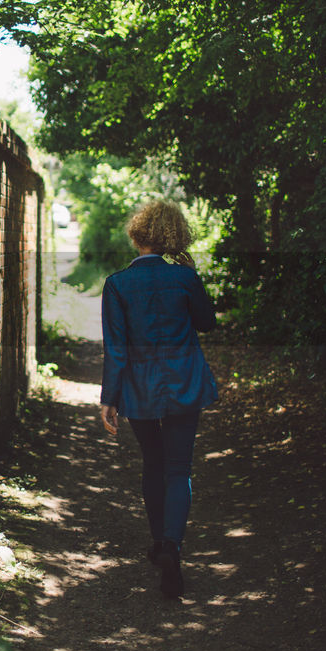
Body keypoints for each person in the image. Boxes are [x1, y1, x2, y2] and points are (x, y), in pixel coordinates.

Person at [99, 200, 218, 598]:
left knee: (153, 463)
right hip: (185, 382)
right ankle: (171, 545)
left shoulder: (117, 284)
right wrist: (191, 278)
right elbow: (206, 322)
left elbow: (116, 349)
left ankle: (158, 542)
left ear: (137, 236)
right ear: (174, 237)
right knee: (179, 468)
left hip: (140, 387)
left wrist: (109, 399)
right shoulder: (184, 278)